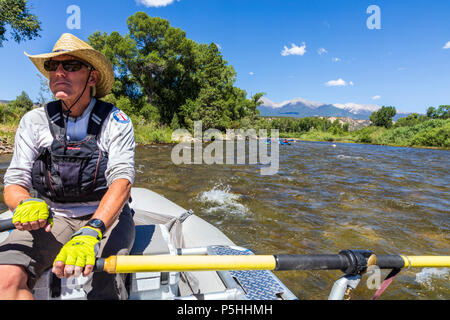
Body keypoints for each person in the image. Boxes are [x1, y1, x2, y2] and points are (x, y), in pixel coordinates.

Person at [0, 33, 136, 300]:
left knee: (104, 286)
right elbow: (14, 183)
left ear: (92, 78)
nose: (59, 72)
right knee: (5, 280)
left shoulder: (116, 120)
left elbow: (123, 180)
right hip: (53, 217)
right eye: (53, 66)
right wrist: (25, 204)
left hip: (107, 219)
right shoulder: (33, 121)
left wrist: (93, 229)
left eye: (71, 66)